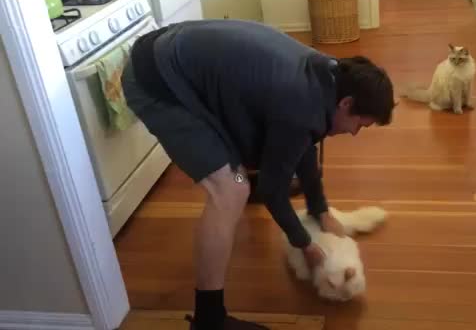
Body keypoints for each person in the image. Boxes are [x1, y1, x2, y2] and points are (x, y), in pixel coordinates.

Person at [121, 19, 395, 330]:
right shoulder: (301, 104)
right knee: (232, 189)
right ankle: (210, 321)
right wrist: (305, 245)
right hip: (157, 80)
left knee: (243, 173)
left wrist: (319, 209)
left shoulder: (328, 76)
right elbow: (272, 189)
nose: (356, 133)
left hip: (175, 54)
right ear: (346, 104)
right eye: (360, 124)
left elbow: (304, 143)